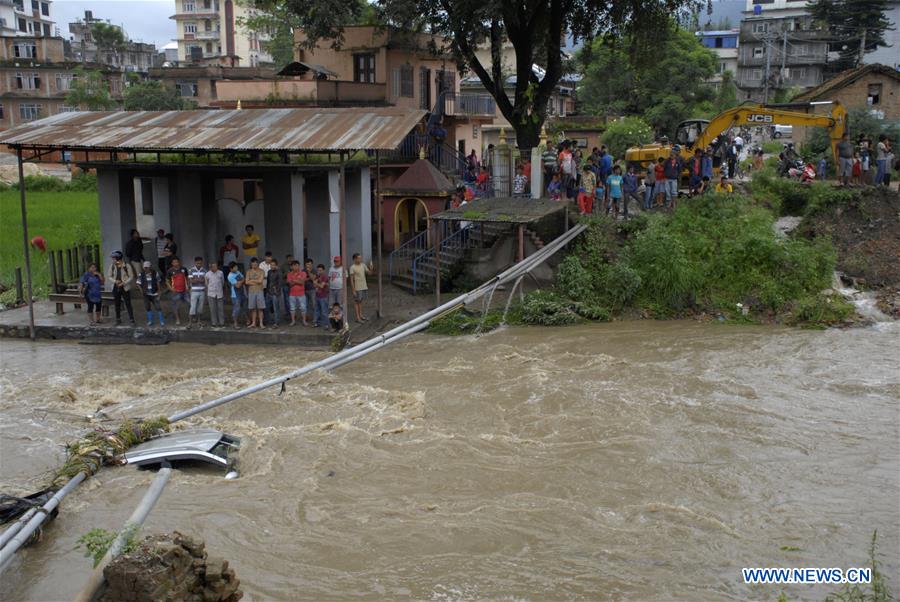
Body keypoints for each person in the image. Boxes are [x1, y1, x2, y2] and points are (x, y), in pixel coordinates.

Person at [107, 250, 135, 326]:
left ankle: (132, 319)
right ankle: (118, 319)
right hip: (116, 287)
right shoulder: (112, 266)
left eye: (114, 258)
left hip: (125, 287)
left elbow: (131, 276)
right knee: (117, 303)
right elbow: (109, 276)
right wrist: (115, 281)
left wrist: (124, 283)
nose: (113, 259)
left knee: (128, 303)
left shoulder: (126, 265)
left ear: (118, 258)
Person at [137, 260, 165, 327]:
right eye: (145, 267)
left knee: (158, 307)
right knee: (147, 307)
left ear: (150, 267)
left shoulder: (155, 273)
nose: (145, 269)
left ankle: (161, 321)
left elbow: (158, 282)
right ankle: (150, 321)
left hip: (154, 293)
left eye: (147, 267)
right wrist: (141, 291)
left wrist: (159, 291)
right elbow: (138, 284)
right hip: (146, 294)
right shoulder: (141, 274)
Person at [349, 253, 373, 324]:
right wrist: (353, 290)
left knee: (361, 301)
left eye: (360, 258)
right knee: (356, 302)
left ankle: (361, 315)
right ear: (355, 259)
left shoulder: (363, 265)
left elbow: (369, 273)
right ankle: (358, 317)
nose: (360, 259)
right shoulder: (352, 267)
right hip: (357, 287)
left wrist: (371, 268)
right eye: (358, 258)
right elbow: (351, 279)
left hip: (364, 286)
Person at [166, 257, 189, 326]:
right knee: (175, 306)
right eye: (174, 262)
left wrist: (188, 286)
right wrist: (171, 289)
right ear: (172, 263)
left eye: (177, 262)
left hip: (184, 291)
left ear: (179, 262)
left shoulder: (184, 269)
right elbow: (167, 281)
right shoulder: (170, 271)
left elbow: (187, 278)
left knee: (190, 303)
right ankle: (177, 319)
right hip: (175, 292)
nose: (176, 263)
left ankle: (190, 317)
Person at [245, 257, 266, 329]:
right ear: (251, 264)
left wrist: (252, 280)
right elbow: (247, 282)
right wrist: (256, 281)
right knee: (253, 308)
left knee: (260, 308)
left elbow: (260, 281)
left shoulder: (261, 271)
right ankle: (253, 323)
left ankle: (261, 323)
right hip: (251, 292)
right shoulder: (248, 271)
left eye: (255, 263)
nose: (254, 264)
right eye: (252, 263)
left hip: (260, 291)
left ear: (257, 263)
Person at [286, 260, 309, 327]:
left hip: (301, 294)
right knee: (292, 308)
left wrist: (293, 280)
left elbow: (302, 283)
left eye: (297, 265)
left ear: (299, 266)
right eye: (294, 265)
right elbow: (290, 284)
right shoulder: (289, 274)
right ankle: (293, 321)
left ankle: (304, 321)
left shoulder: (303, 273)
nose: (295, 267)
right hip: (292, 294)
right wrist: (298, 281)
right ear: (292, 266)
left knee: (303, 308)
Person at [187, 256, 207, 328]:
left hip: (202, 291)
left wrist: (196, 279)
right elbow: (191, 281)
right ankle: (190, 323)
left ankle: (199, 321)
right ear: (195, 263)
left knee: (200, 308)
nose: (199, 264)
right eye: (198, 263)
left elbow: (205, 280)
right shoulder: (191, 270)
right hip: (194, 291)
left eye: (200, 263)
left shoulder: (204, 270)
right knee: (192, 307)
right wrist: (200, 279)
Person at [205, 261, 226, 327]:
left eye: (215, 266)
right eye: (213, 266)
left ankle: (221, 322)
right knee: (212, 309)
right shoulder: (207, 274)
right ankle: (214, 323)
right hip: (211, 293)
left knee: (220, 309)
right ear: (210, 267)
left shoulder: (221, 273)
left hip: (219, 293)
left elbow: (222, 282)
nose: (214, 268)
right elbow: (206, 284)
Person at [265, 257, 284, 327]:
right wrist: (267, 290)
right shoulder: (269, 272)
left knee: (276, 308)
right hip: (268, 292)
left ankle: (276, 322)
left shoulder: (279, 272)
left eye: (273, 265)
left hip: (275, 293)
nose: (272, 266)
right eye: (271, 265)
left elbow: (280, 283)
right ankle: (267, 320)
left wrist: (277, 293)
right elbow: (268, 282)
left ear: (276, 265)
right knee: (266, 307)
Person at [227, 262, 245, 329]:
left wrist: (240, 282)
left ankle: (248, 320)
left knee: (244, 307)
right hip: (235, 295)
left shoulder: (238, 272)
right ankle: (235, 323)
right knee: (236, 309)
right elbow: (237, 286)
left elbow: (244, 278)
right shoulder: (230, 276)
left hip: (242, 292)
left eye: (236, 267)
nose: (236, 268)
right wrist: (241, 282)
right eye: (235, 267)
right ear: (231, 269)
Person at [313, 264, 330, 328]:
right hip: (317, 295)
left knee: (324, 311)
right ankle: (316, 323)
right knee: (317, 310)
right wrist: (316, 283)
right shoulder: (317, 276)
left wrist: (316, 283)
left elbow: (321, 286)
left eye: (320, 270)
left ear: (323, 270)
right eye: (318, 270)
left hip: (323, 296)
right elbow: (314, 286)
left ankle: (326, 324)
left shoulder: (325, 277)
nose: (319, 271)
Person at [304, 258, 316, 325]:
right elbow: (302, 280)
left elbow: (313, 278)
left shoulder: (314, 270)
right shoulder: (303, 270)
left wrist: (308, 272)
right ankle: (306, 317)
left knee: (314, 304)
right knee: (305, 305)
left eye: (310, 264)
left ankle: (315, 318)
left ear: (312, 264)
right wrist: (308, 278)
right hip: (304, 289)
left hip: (312, 290)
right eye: (307, 264)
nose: (308, 265)